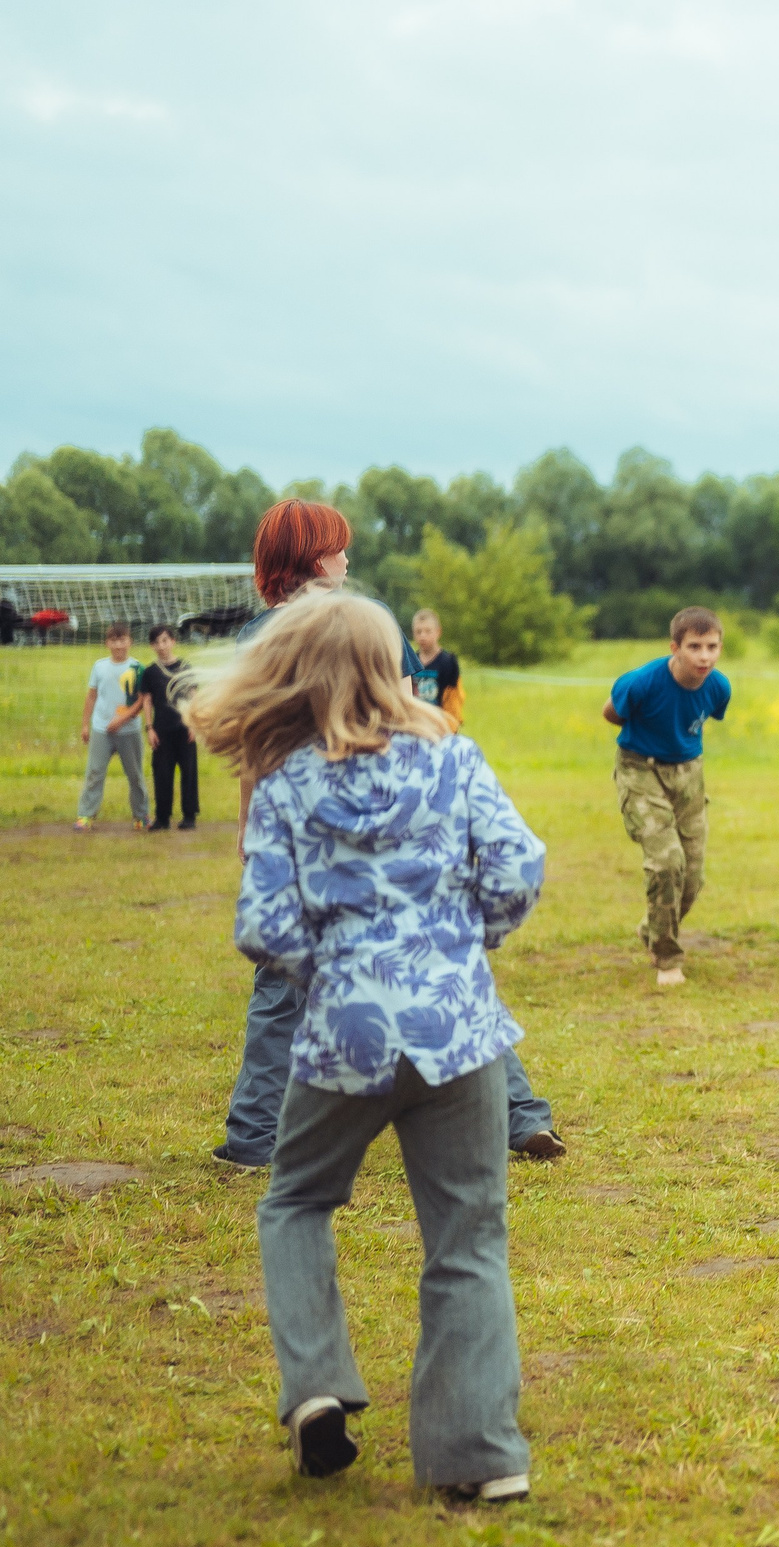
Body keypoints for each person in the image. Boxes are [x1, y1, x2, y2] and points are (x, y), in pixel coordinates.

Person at [190, 592, 544, 1500]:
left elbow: (264, 926)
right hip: (460, 1032)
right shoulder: (454, 759)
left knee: (297, 1200)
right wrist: (466, 949)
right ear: (394, 665)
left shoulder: (286, 786)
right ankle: (481, 1462)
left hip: (344, 1032)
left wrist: (330, 979)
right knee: (467, 1237)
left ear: (294, 676)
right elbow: (518, 869)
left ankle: (316, 1387)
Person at [217, 500, 565, 1167]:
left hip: (308, 829)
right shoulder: (375, 628)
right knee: (438, 970)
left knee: (280, 985)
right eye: (339, 548)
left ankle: (254, 1136)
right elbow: (410, 728)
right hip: (391, 821)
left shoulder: (256, 638)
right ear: (316, 556)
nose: (348, 559)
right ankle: (519, 1117)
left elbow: (254, 748)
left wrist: (250, 829)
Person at [606, 607, 731, 989]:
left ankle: (653, 928)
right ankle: (667, 958)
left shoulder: (718, 686)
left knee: (691, 878)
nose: (704, 656)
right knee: (666, 863)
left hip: (689, 773)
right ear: (675, 647)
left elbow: (699, 720)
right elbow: (611, 713)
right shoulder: (641, 682)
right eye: (695, 647)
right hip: (640, 769)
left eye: (712, 647)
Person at [123, 624, 199, 831]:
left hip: (185, 728)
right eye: (157, 642)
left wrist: (195, 725)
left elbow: (194, 697)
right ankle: (162, 817)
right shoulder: (149, 672)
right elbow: (146, 701)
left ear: (173, 641)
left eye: (165, 640)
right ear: (152, 646)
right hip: (162, 729)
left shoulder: (185, 667)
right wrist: (149, 728)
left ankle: (189, 816)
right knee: (162, 773)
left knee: (189, 772)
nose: (162, 645)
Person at [75, 622, 148, 831]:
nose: (118, 645)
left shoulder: (138, 668)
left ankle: (141, 816)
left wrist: (122, 720)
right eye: (114, 641)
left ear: (130, 642)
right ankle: (86, 815)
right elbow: (91, 697)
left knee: (135, 774)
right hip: (101, 729)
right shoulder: (99, 667)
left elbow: (142, 701)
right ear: (107, 643)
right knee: (95, 772)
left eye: (122, 640)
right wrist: (85, 725)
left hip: (129, 730)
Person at [411, 607, 464, 724]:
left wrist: (450, 728)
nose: (423, 636)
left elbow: (453, 700)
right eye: (418, 631)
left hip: (440, 725)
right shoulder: (410, 662)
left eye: (428, 631)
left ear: (438, 632)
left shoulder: (448, 662)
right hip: (416, 725)